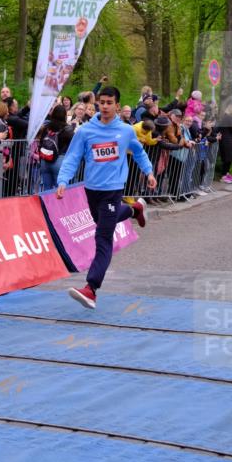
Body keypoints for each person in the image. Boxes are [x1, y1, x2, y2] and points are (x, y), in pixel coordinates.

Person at [56, 86, 156, 309]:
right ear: (98, 104)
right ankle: (134, 210)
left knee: (103, 237)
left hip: (113, 190)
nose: (105, 106)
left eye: (110, 102)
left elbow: (139, 152)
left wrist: (148, 171)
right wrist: (63, 181)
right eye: (102, 102)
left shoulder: (125, 131)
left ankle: (91, 288)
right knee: (99, 221)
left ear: (117, 106)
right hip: (91, 189)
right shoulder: (85, 132)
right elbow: (72, 157)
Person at [35, 104, 75, 191]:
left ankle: (44, 205)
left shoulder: (47, 127)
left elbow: (41, 142)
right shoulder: (67, 129)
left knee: (46, 190)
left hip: (45, 160)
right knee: (59, 191)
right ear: (64, 115)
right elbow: (74, 144)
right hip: (59, 160)